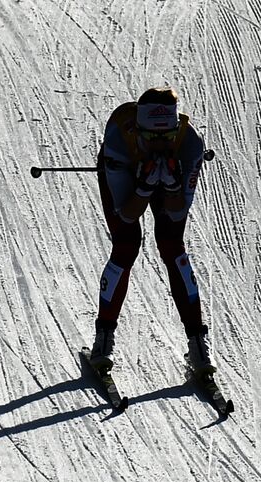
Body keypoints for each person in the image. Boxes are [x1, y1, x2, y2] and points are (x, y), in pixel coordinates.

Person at [89, 86, 214, 374]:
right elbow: (128, 214)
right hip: (127, 170)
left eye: (167, 137)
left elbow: (177, 211)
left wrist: (170, 185)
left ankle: (198, 343)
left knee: (172, 244)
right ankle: (103, 339)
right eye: (151, 138)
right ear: (138, 130)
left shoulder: (189, 144)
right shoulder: (120, 141)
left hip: (157, 175)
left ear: (176, 130)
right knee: (127, 244)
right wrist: (145, 187)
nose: (160, 146)